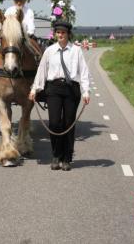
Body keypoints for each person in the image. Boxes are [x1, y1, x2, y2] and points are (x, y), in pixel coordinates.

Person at [28, 20, 90, 171]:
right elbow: (42, 70)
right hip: (54, 88)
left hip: (71, 89)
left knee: (68, 124)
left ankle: (67, 158)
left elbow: (83, 72)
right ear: (55, 34)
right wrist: (35, 89)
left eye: (63, 32)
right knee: (55, 123)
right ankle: (56, 156)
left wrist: (86, 91)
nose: (60, 35)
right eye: (58, 32)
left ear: (68, 34)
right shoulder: (49, 51)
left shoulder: (76, 50)